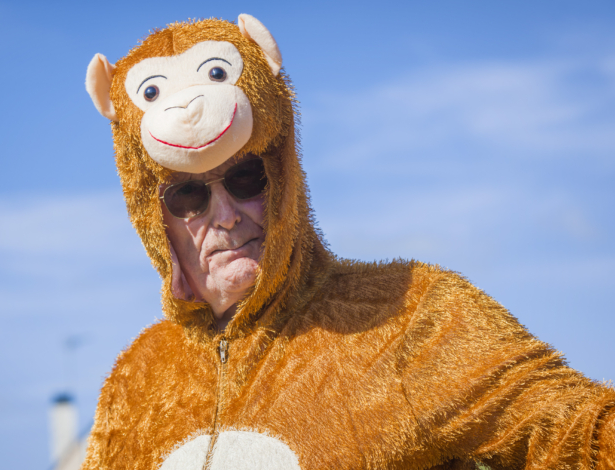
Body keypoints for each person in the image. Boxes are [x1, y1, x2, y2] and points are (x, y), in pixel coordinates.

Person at [82, 15, 615, 470]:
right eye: (190, 197)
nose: (225, 217)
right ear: (153, 218)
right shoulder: (136, 378)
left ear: (284, 177)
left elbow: (577, 432)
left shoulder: (408, 314)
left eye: (248, 180)